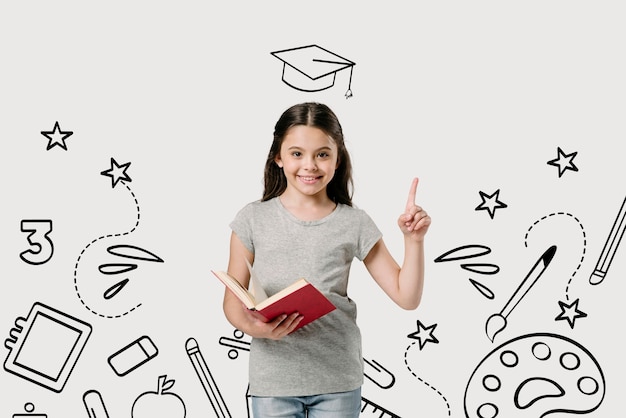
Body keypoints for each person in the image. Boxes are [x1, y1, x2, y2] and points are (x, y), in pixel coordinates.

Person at [222, 102, 431, 418]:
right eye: (296, 154)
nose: (310, 165)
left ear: (337, 159)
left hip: (337, 381)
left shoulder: (354, 223)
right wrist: (258, 330)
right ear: (278, 157)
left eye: (322, 154)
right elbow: (232, 301)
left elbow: (407, 297)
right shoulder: (253, 218)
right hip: (272, 380)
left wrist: (413, 241)